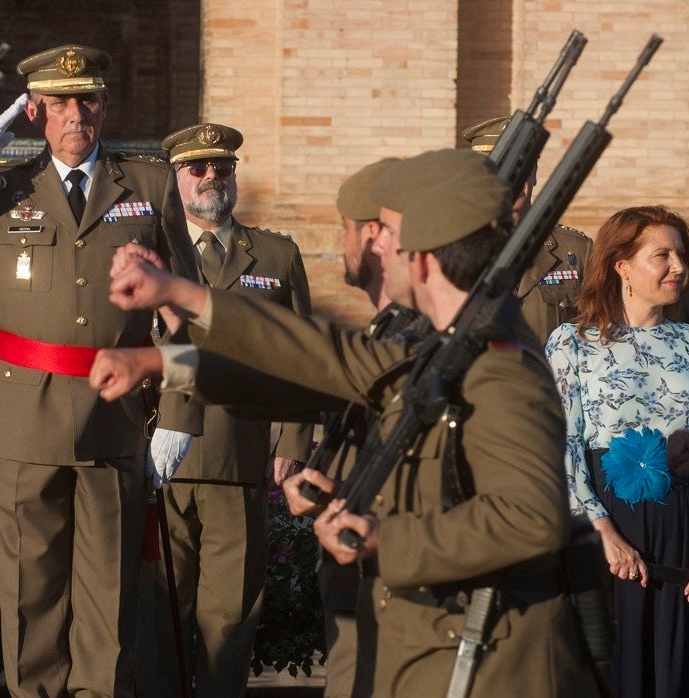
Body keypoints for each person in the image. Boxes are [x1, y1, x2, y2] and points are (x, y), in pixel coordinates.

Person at [89, 149, 593, 696]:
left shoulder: (500, 367)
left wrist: (382, 537)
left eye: (390, 236)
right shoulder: (433, 347)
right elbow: (314, 359)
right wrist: (164, 356)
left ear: (421, 259)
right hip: (425, 645)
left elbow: (530, 519)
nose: (378, 245)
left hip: (484, 661)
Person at [0, 44, 200, 696]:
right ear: (35, 110)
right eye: (59, 103)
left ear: (104, 104)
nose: (75, 115)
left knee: (109, 602)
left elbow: (188, 313)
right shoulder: (6, 188)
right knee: (28, 596)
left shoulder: (148, 187)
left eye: (87, 99)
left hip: (115, 418)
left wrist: (178, 415)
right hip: (21, 419)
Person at [136, 123, 312, 697]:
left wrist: (291, 444)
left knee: (230, 614)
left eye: (224, 168)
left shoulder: (277, 255)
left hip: (240, 452)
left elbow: (302, 358)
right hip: (157, 457)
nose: (213, 177)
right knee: (159, 610)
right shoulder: (147, 254)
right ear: (175, 178)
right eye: (199, 168)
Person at [544, 205, 689, 697]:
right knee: (612, 676)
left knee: (685, 675)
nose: (678, 266)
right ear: (621, 265)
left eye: (680, 254)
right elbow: (561, 447)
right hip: (605, 539)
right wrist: (602, 530)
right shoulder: (571, 343)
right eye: (662, 255)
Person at [281, 156, 425, 698]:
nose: (340, 244)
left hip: (386, 568)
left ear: (370, 236)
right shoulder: (384, 328)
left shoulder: (410, 335)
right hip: (351, 560)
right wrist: (321, 482)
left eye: (343, 230)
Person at [461, 115, 593, 343]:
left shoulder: (576, 251)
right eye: (501, 169)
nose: (513, 179)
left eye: (522, 166)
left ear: (534, 172)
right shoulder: (448, 248)